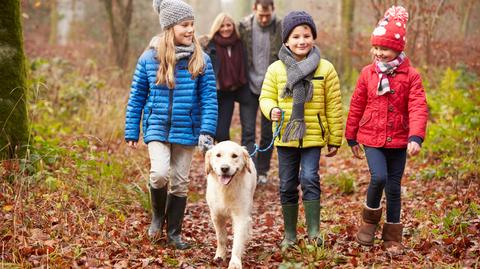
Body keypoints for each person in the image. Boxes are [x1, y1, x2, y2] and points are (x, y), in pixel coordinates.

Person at [124, 0, 217, 250]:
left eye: (192, 25)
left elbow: (209, 98)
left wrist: (207, 130)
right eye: (184, 25)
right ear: (169, 28)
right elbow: (137, 97)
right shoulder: (149, 58)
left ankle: (174, 232)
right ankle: (157, 217)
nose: (190, 30)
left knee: (179, 180)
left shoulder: (201, 59)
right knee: (159, 174)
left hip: (187, 129)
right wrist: (132, 129)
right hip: (156, 127)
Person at [345, 6, 428, 254]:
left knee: (393, 187)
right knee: (378, 177)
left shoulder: (411, 76)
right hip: (371, 137)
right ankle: (369, 223)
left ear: (398, 49)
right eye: (377, 48)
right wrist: (351, 136)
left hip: (400, 139)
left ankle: (392, 235)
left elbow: (417, 106)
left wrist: (415, 136)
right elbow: (357, 103)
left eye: (385, 48)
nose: (379, 53)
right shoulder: (367, 74)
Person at [259, 11, 343, 248]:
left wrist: (335, 137)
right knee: (286, 184)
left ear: (313, 38)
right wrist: (271, 109)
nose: (301, 41)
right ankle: (290, 234)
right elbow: (265, 97)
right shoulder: (276, 69)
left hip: (313, 135)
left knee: (309, 178)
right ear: (286, 41)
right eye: (295, 36)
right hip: (286, 136)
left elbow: (334, 105)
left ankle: (314, 232)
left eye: (306, 35)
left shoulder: (325, 69)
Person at [238, 0, 282, 184]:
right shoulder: (244, 27)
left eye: (267, 15)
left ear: (273, 10)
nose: (264, 19)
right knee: (248, 131)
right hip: (249, 86)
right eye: (261, 15)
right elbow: (225, 40)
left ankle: (262, 171)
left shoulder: (281, 27)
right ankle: (250, 170)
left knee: (267, 133)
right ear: (254, 10)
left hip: (271, 88)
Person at [201, 13, 247, 143]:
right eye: (222, 26)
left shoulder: (239, 44)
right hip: (211, 94)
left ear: (233, 26)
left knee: (222, 133)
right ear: (217, 27)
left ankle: (223, 159)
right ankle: (212, 158)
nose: (225, 28)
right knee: (210, 130)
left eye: (228, 25)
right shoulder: (209, 45)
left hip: (228, 94)